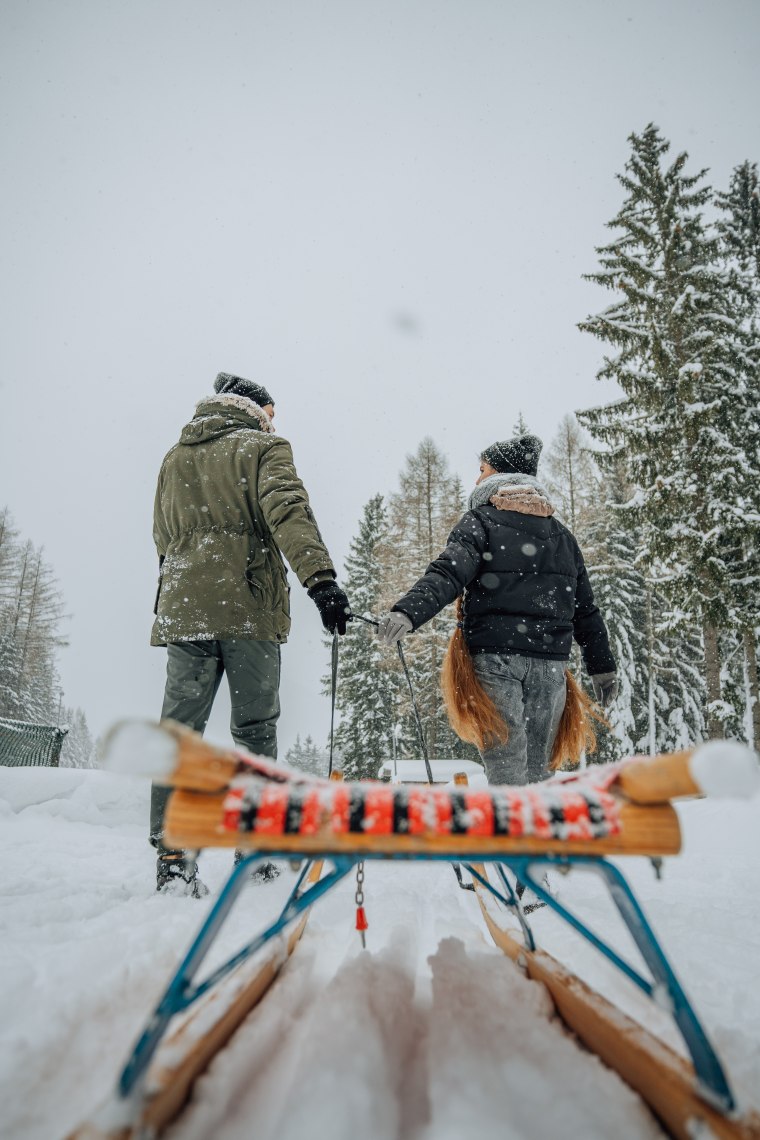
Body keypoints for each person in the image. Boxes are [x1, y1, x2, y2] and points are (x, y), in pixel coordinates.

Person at [150, 371, 350, 893]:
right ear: (257, 407)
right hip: (247, 608)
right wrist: (321, 581)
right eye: (272, 411)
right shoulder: (264, 447)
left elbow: (162, 535)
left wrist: (186, 585)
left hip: (185, 610)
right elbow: (289, 513)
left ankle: (173, 854)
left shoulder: (175, 456)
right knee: (256, 728)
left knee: (180, 733)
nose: (274, 420)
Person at [377, 433, 617, 787]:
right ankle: (534, 836)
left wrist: (408, 613)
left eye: (482, 469)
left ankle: (509, 835)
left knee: (505, 767)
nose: (477, 479)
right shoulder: (561, 535)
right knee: (539, 774)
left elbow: (448, 572)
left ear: (500, 476)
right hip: (550, 665)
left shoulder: (481, 521)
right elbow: (585, 610)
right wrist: (602, 667)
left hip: (495, 657)